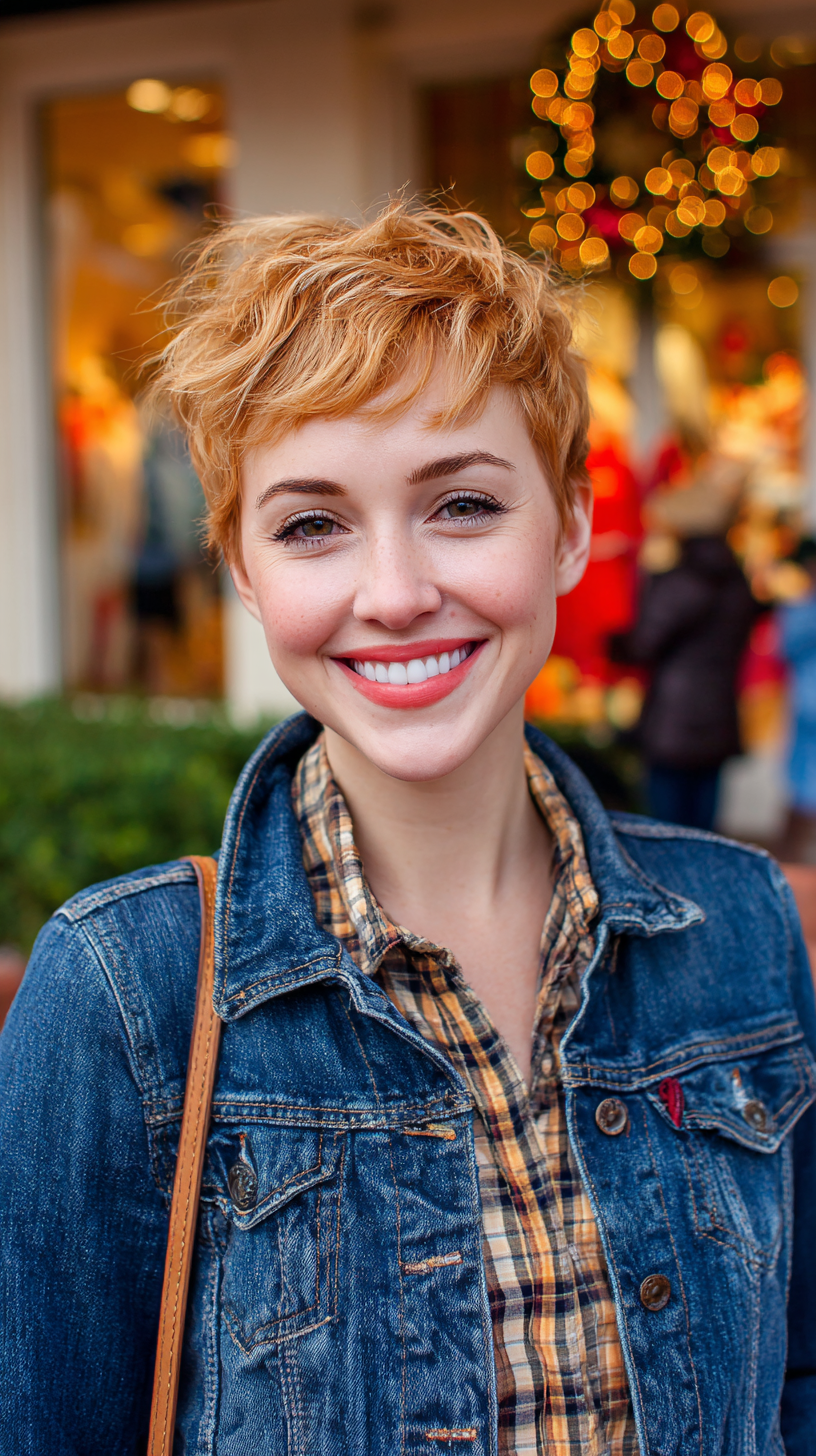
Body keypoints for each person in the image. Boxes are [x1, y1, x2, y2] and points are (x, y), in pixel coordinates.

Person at [1, 204, 814, 1456]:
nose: (393, 594)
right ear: (241, 568)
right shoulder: (125, 994)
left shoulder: (742, 927)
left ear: (576, 524)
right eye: (312, 524)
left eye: (465, 505)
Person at [611, 464, 758, 831]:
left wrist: (651, 578)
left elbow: (644, 643)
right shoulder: (737, 581)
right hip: (719, 715)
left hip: (674, 723)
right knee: (703, 828)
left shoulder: (683, 580)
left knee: (666, 830)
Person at [779, 539, 816, 862]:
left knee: (804, 788)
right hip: (807, 704)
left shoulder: (803, 609)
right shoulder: (802, 607)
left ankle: (795, 859)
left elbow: (787, 646)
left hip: (808, 704)